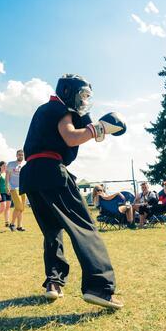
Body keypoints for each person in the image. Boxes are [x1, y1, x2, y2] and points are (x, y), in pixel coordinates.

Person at [19, 73, 126, 309]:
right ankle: (99, 288)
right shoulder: (60, 109)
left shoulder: (43, 111)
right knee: (85, 227)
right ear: (68, 92)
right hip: (51, 172)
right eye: (82, 95)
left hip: (32, 176)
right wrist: (99, 128)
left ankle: (53, 283)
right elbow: (70, 137)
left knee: (52, 231)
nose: (84, 101)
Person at [6, 150, 27, 231]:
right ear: (16, 155)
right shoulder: (11, 164)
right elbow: (7, 176)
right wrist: (7, 186)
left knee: (22, 208)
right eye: (19, 155)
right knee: (18, 206)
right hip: (13, 187)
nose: (20, 156)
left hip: (23, 188)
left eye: (22, 155)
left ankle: (19, 226)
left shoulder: (25, 164)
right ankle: (12, 224)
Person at [0, 161, 11, 228]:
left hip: (8, 192)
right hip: (1, 192)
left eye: (6, 166)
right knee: (3, 207)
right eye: (3, 166)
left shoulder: (6, 173)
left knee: (8, 208)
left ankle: (7, 222)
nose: (5, 167)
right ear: (0, 166)